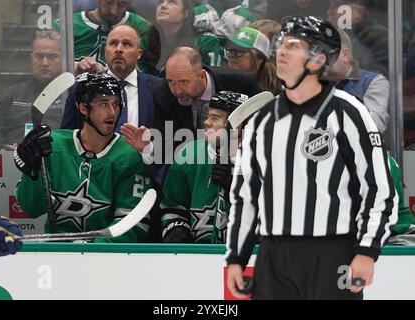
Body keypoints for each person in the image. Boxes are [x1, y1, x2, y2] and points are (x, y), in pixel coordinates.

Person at [225, 16, 398, 300]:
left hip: (332, 254)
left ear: (318, 60)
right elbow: (246, 196)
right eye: (281, 43)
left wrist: (367, 250)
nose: (280, 51)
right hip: (273, 257)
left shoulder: (348, 113)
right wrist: (236, 257)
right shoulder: (262, 121)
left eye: (293, 45)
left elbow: (379, 191)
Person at [14, 73, 152, 242]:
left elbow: (132, 224)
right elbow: (31, 208)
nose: (112, 112)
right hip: (55, 255)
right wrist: (31, 172)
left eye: (116, 104)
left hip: (104, 259)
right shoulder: (52, 146)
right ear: (83, 108)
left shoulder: (128, 156)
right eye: (103, 104)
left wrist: (90, 249)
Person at [121, 46, 260, 183]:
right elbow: (165, 145)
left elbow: (262, 130)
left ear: (201, 75)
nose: (177, 90)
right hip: (189, 173)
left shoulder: (242, 84)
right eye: (171, 81)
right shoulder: (162, 94)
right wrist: (148, 147)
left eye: (184, 82)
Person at [161, 91, 248, 244]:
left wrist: (236, 190)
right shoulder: (189, 154)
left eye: (215, 118)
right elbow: (172, 206)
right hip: (197, 257)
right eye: (208, 116)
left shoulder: (262, 160)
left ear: (237, 126)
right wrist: (175, 230)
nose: (206, 122)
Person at [61, 25, 160, 131]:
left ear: (139, 54)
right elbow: (67, 136)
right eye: (113, 43)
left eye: (127, 44)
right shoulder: (81, 89)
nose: (118, 49)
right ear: (105, 51)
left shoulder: (158, 88)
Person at [0, 30, 63, 150]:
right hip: (12, 161)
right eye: (39, 56)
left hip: (57, 159)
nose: (45, 63)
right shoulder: (13, 94)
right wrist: (2, 149)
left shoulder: (70, 96)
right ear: (31, 59)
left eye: (52, 56)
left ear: (63, 59)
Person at [52, 0, 154, 74]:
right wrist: (75, 67)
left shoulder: (143, 28)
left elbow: (148, 71)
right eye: (109, 2)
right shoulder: (64, 26)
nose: (113, 11)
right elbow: (48, 65)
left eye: (122, 5)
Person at [324, 28, 389, 133]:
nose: (319, 57)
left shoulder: (373, 82)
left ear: (344, 54)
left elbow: (374, 126)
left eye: (326, 52)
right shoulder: (310, 81)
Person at [154, 0, 223, 69]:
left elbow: (212, 77)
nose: (163, 6)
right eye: (161, 2)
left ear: (185, 13)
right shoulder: (150, 40)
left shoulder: (206, 42)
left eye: (172, 2)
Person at [225, 26, 282, 94]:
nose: (232, 56)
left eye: (239, 51)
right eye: (230, 51)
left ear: (259, 58)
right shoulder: (222, 83)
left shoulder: (276, 94)